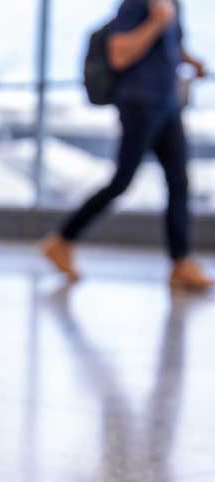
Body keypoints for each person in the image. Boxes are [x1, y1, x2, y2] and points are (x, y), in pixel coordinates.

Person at [41, 0, 210, 291]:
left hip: (167, 104)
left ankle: (181, 263)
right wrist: (155, 22)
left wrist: (190, 61)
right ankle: (61, 239)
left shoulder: (173, 4)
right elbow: (119, 54)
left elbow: (169, 46)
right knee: (122, 181)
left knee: (179, 182)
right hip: (140, 104)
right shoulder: (137, 4)